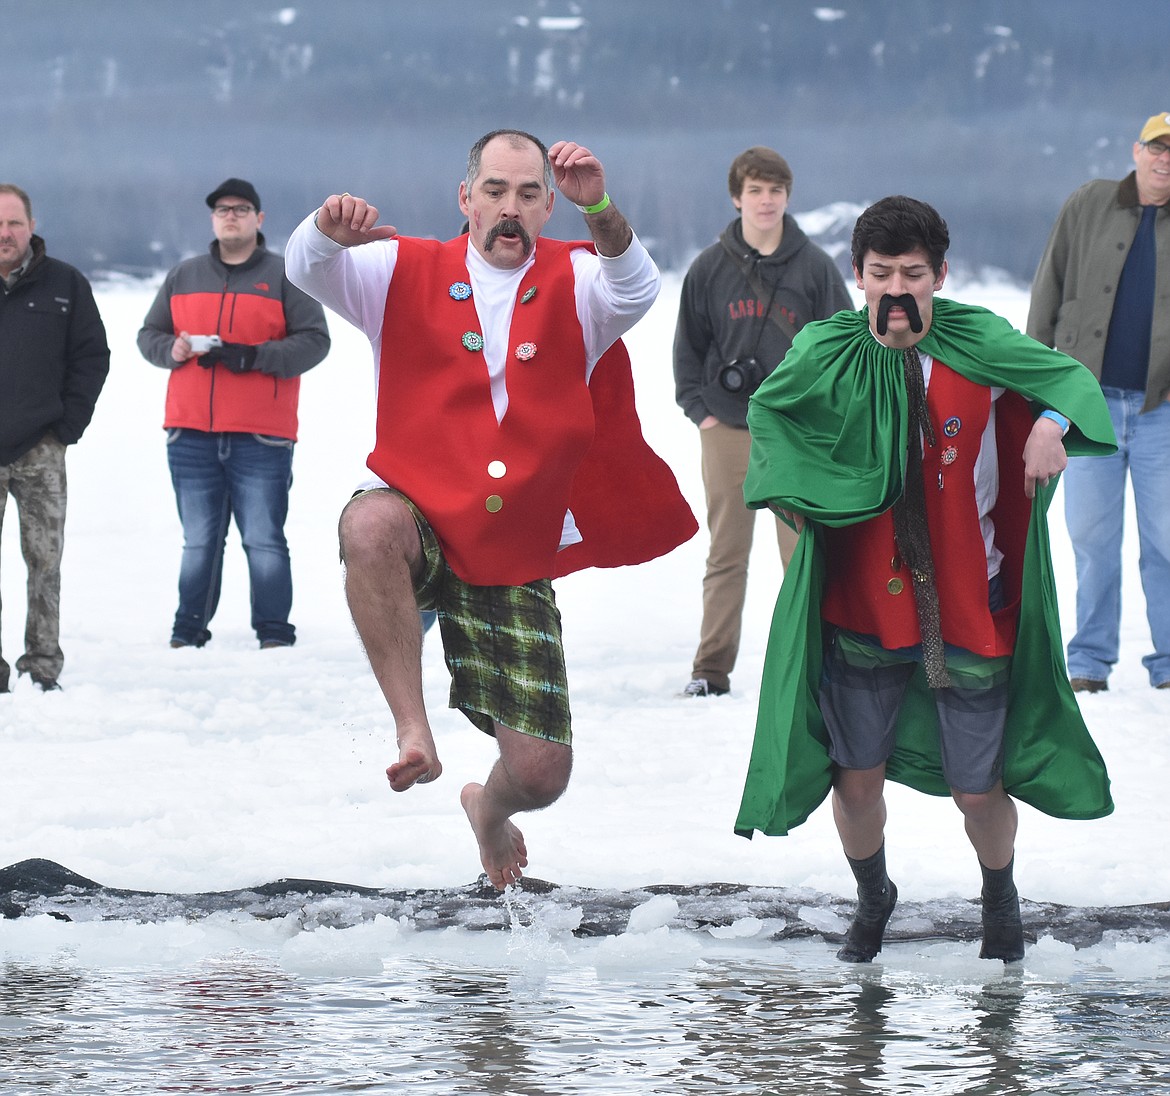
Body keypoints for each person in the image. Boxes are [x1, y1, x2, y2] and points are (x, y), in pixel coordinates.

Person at [285, 129, 696, 890]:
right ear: (466, 198)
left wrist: (599, 206)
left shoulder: (580, 282)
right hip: (422, 516)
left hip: (514, 542)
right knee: (367, 522)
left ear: (548, 205)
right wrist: (324, 230)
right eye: (497, 192)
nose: (511, 209)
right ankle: (414, 729)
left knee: (542, 774)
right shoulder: (397, 269)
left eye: (530, 195)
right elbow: (305, 267)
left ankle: (488, 810)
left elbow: (637, 286)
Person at [734, 196, 1117, 964]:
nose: (897, 289)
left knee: (978, 788)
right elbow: (772, 421)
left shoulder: (978, 341)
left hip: (973, 604)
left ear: (941, 274)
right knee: (856, 778)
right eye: (881, 274)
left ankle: (999, 893)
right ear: (858, 275)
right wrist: (812, 494)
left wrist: (1050, 425)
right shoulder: (828, 349)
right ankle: (874, 893)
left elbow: (1069, 381)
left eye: (914, 273)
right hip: (862, 608)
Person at [673, 147, 852, 699]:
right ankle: (711, 668)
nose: (766, 200)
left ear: (787, 196)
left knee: (800, 553)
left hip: (796, 430)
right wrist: (699, 412)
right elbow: (688, 347)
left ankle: (814, 665)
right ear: (737, 197)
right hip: (726, 427)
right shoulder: (709, 266)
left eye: (775, 190)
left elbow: (846, 342)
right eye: (755, 190)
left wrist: (827, 416)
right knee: (727, 551)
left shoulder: (815, 267)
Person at [137, 179, 330, 650]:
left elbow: (315, 341)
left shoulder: (286, 275)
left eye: (241, 209)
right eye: (222, 209)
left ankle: (274, 635)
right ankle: (188, 633)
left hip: (261, 435)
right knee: (199, 542)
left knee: (264, 540)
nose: (231, 216)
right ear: (213, 219)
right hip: (190, 433)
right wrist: (173, 347)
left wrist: (255, 356)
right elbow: (148, 335)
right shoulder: (184, 275)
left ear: (258, 220)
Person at [1027, 112, 1170, 693]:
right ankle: (1088, 660)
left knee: (1166, 539)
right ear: (1137, 151)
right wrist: (1034, 380)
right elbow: (1049, 286)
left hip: (1161, 409)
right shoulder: (1089, 203)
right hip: (1085, 408)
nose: (1165, 160)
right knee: (1091, 537)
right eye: (1157, 148)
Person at [0, 183, 109, 694]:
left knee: (45, 561)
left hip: (41, 447)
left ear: (31, 224)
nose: (5, 233)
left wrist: (67, 427)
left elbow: (92, 356)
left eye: (14, 222)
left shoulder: (65, 283)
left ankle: (42, 663)